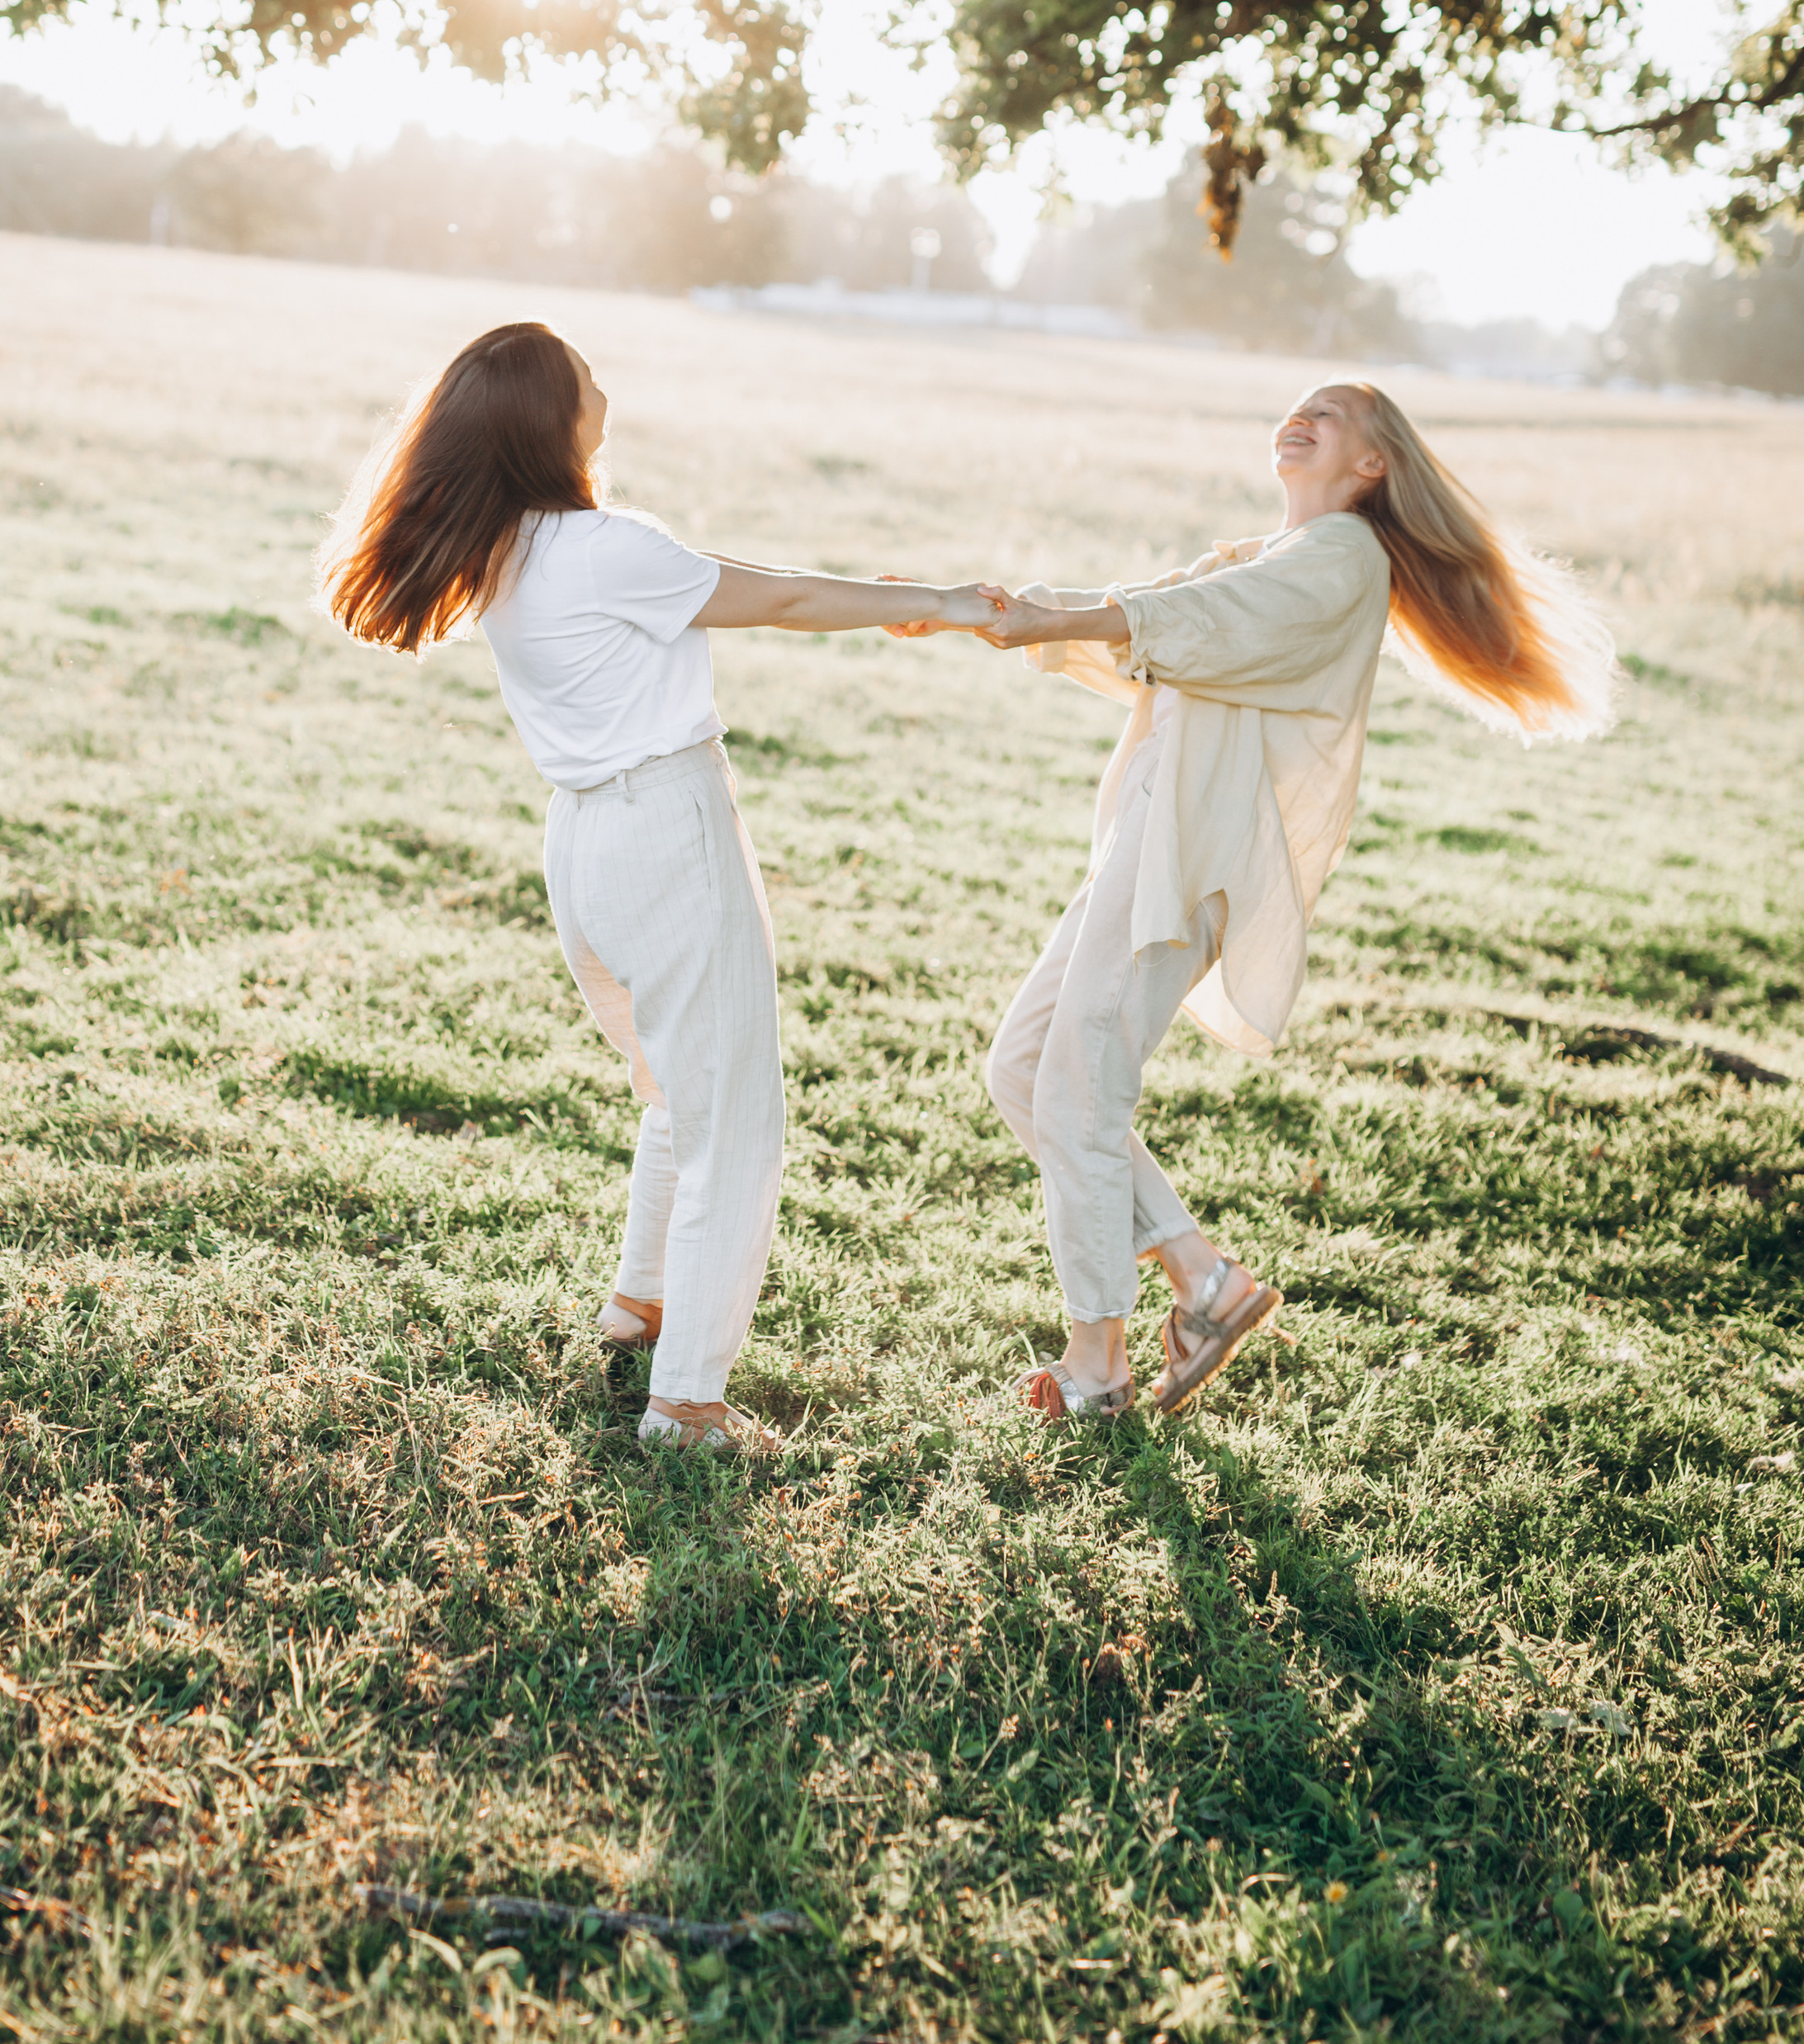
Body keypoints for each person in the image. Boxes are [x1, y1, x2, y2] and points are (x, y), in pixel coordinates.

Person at [317, 319, 1007, 1460]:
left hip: (584, 843)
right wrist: (931, 598)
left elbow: (765, 586)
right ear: (551, 423)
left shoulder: (505, 549)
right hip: (665, 829)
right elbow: (772, 600)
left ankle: (640, 1306)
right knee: (733, 1121)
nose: (605, 388)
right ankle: (687, 1405)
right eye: (588, 378)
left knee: (675, 1095)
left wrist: (896, 593)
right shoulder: (599, 545)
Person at [948, 382, 1616, 1427]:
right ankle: (1202, 1279)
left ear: (1372, 464)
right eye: (1295, 407)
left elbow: (1188, 623)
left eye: (1332, 413)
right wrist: (989, 615)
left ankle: (1098, 1366)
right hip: (1148, 845)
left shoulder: (1344, 559)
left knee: (1078, 1085)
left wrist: (1058, 615)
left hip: (1189, 859)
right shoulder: (1269, 559)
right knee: (1025, 1069)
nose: (1300, 417)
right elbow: (1159, 628)